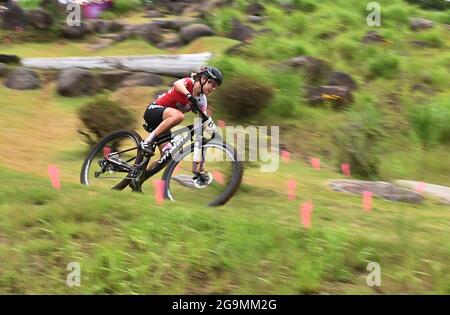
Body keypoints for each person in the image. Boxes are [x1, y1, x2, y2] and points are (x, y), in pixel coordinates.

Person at [140, 66, 223, 156]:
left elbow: (204, 119)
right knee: (179, 116)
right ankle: (147, 141)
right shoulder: (189, 82)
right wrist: (188, 95)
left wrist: (214, 134)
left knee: (168, 157)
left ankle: (142, 170)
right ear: (203, 79)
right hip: (153, 111)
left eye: (216, 87)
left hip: (164, 125)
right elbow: (177, 84)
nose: (213, 89)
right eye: (213, 85)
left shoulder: (202, 100)